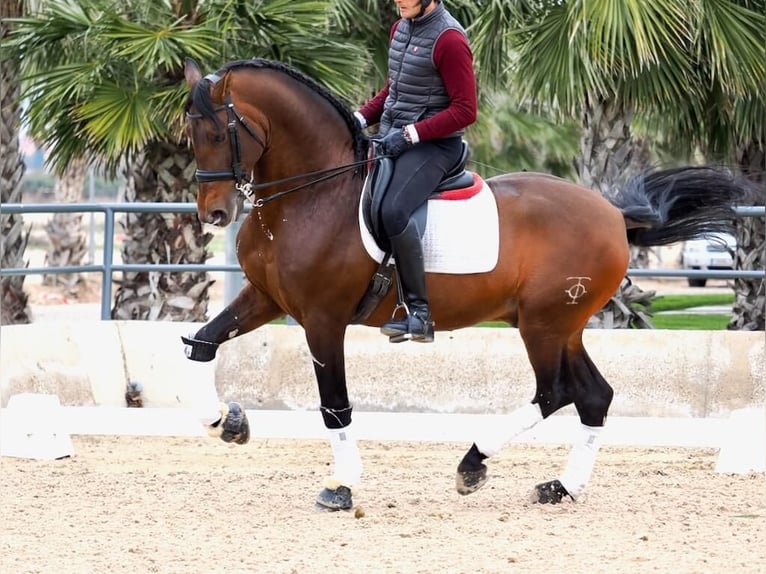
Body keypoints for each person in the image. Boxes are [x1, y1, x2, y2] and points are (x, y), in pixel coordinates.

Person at [354, 0, 477, 344]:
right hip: (394, 137)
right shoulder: (400, 28)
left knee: (393, 210)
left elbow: (466, 110)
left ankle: (419, 314)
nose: (399, 0)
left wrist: (411, 134)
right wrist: (359, 119)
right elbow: (394, 93)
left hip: (435, 147)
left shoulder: (449, 39)